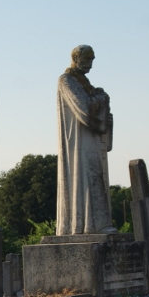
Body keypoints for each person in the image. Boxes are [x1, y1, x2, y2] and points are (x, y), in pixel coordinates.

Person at [56, 45, 116, 235]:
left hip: (90, 139)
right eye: (87, 59)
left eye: (92, 60)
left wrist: (106, 120)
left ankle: (98, 223)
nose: (90, 64)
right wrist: (102, 97)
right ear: (75, 57)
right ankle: (87, 225)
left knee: (96, 176)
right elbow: (85, 110)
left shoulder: (84, 82)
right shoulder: (67, 80)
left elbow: (95, 110)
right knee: (88, 176)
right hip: (78, 142)